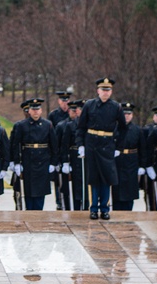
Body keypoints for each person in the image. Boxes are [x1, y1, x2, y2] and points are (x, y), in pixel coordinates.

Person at [76, 77, 126, 220]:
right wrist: (81, 145)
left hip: (107, 145)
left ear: (111, 92)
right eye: (103, 90)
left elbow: (123, 128)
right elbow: (81, 127)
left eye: (108, 90)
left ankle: (105, 208)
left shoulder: (116, 107)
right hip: (92, 144)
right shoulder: (89, 105)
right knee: (93, 178)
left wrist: (118, 147)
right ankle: (93, 208)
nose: (105, 92)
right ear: (98, 91)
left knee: (106, 178)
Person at [9, 99, 58, 210]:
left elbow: (54, 145)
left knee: (40, 194)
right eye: (33, 110)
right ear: (29, 111)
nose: (35, 112)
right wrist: (16, 162)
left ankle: (38, 217)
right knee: (28, 193)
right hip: (28, 162)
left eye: (37, 109)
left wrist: (53, 163)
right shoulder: (22, 125)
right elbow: (15, 145)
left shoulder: (47, 125)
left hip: (43, 162)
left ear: (41, 111)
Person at [112, 103, 146, 211]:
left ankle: (128, 211)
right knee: (117, 190)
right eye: (124, 114)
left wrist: (142, 165)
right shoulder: (114, 128)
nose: (126, 116)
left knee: (129, 190)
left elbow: (142, 149)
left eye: (129, 114)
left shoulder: (137, 130)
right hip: (117, 161)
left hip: (131, 162)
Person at [56, 99, 85, 211]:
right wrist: (64, 162)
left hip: (86, 160)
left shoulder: (90, 125)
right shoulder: (68, 125)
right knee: (72, 192)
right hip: (73, 158)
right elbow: (63, 146)